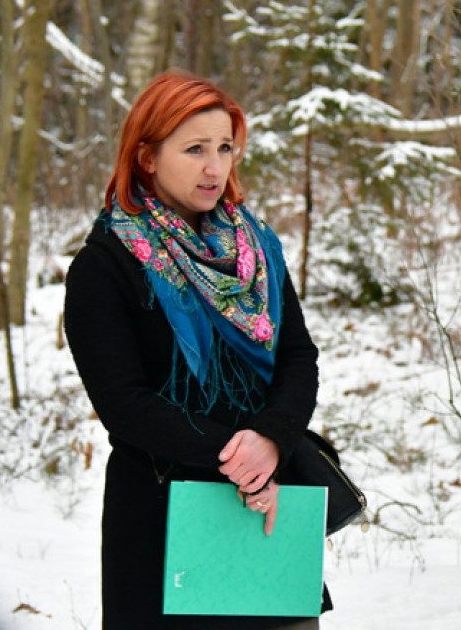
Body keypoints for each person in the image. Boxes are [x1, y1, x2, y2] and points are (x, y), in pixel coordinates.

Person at [64, 71, 327, 629]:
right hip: (163, 517)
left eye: (226, 148)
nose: (215, 167)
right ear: (147, 158)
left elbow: (299, 357)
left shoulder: (255, 251)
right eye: (195, 149)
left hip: (268, 510)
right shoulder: (105, 265)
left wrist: (272, 441)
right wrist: (241, 457)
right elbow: (124, 402)